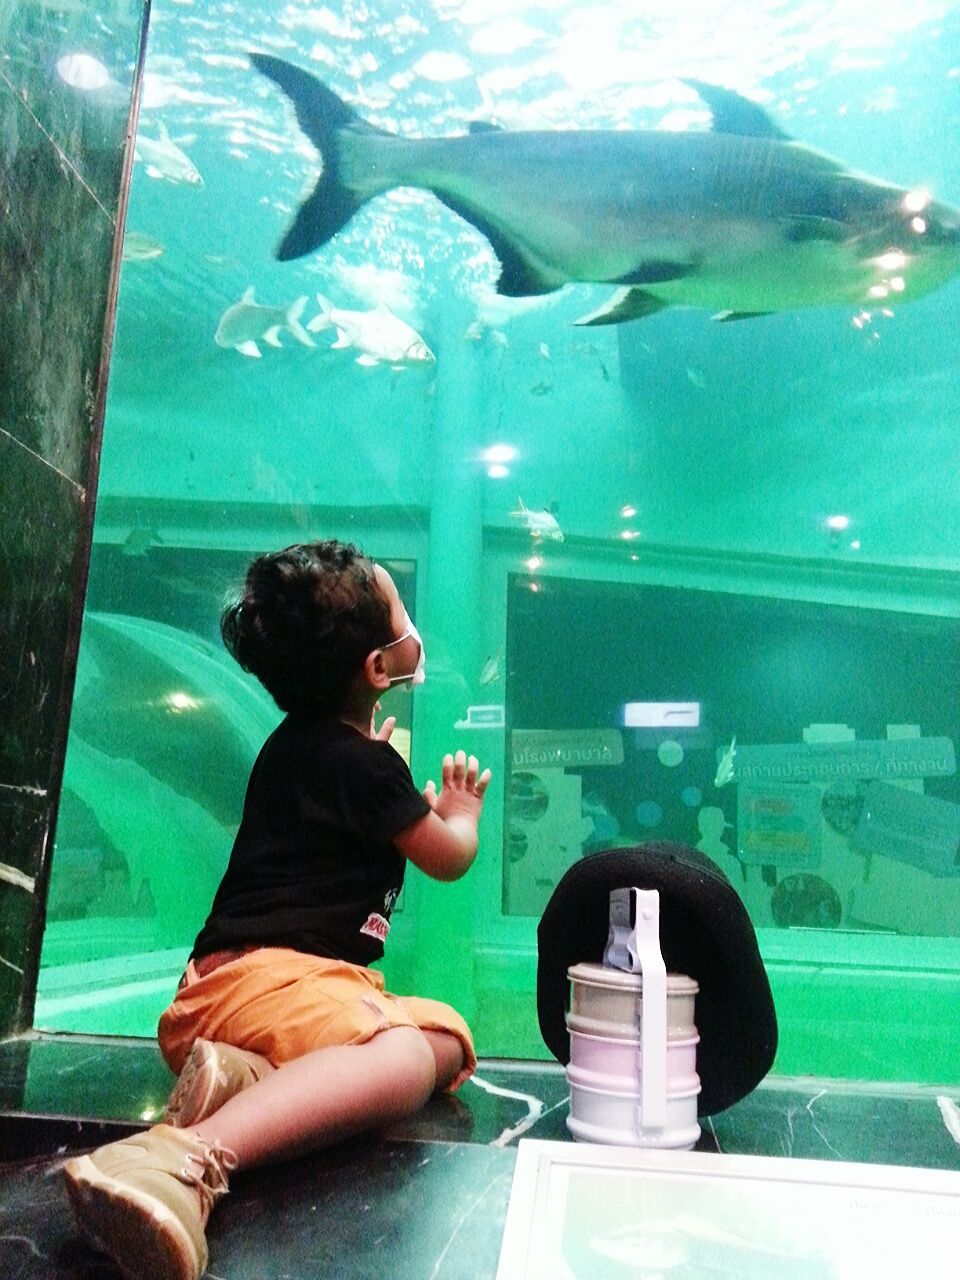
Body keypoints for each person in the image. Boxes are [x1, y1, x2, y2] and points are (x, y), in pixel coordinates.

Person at [62, 540, 492, 1280]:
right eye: (400, 613)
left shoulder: (295, 746)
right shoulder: (367, 766)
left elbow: (332, 813)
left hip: (216, 990)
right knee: (402, 1057)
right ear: (377, 668)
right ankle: (185, 1158)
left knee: (446, 1039)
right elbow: (446, 858)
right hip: (275, 983)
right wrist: (461, 811)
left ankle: (242, 1077)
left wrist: (372, 771)